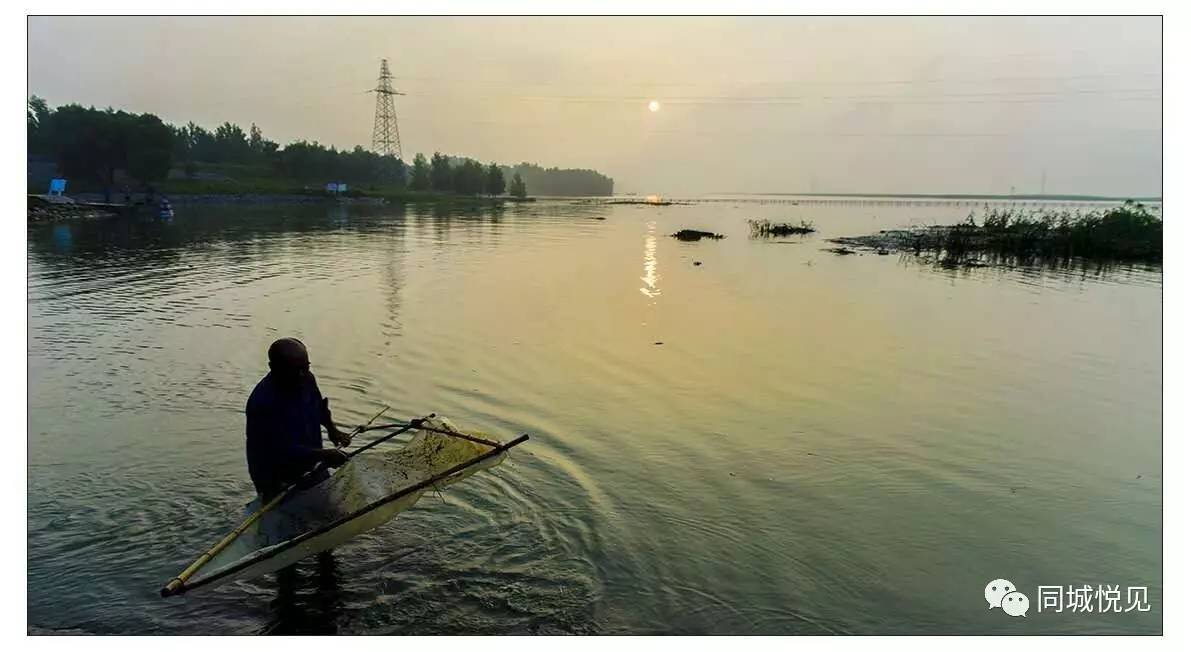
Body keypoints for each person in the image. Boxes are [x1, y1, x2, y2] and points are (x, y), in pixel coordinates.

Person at [246, 338, 351, 500]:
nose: (302, 374)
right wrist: (324, 455)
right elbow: (281, 450)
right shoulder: (262, 403)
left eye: (306, 367)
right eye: (295, 370)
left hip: (313, 464)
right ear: (273, 368)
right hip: (276, 478)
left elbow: (320, 408)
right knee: (290, 519)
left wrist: (333, 430)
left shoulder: (306, 378)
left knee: (331, 509)